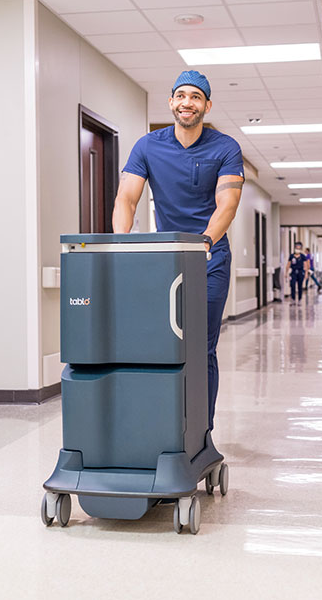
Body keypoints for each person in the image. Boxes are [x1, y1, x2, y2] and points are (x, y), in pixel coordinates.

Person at [112, 70, 244, 432]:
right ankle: (165, 424)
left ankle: (201, 431)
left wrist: (205, 241)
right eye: (181, 95)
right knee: (161, 345)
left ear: (207, 105)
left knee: (201, 348)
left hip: (209, 257)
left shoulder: (226, 147)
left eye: (196, 97)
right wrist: (121, 242)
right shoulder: (148, 146)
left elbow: (227, 205)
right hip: (165, 259)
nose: (188, 102)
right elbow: (126, 197)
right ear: (171, 102)